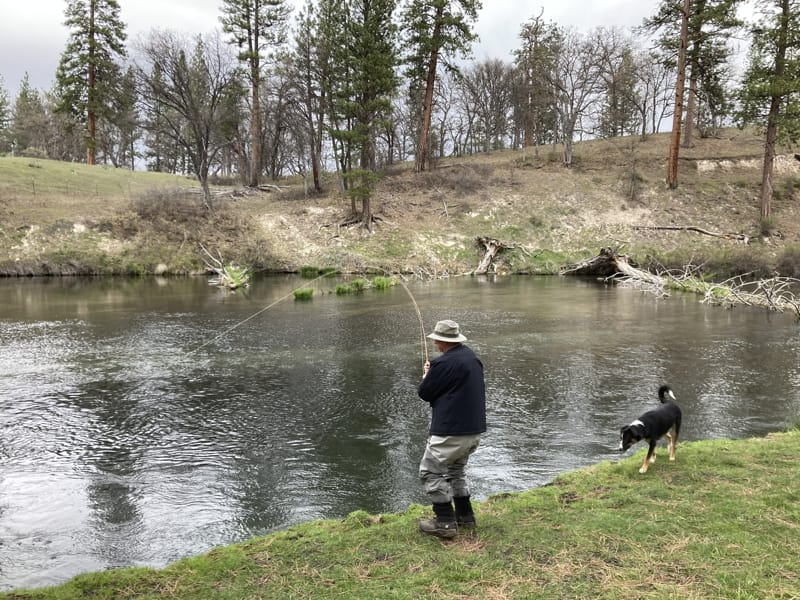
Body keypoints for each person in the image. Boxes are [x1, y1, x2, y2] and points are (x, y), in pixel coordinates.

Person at [416, 319, 486, 539]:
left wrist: (427, 376)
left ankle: (445, 523)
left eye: (437, 340)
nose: (436, 344)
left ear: (441, 341)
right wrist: (433, 374)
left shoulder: (444, 364)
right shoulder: (472, 358)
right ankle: (466, 517)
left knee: (430, 472)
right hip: (473, 430)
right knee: (456, 471)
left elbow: (425, 393)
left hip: (450, 431)